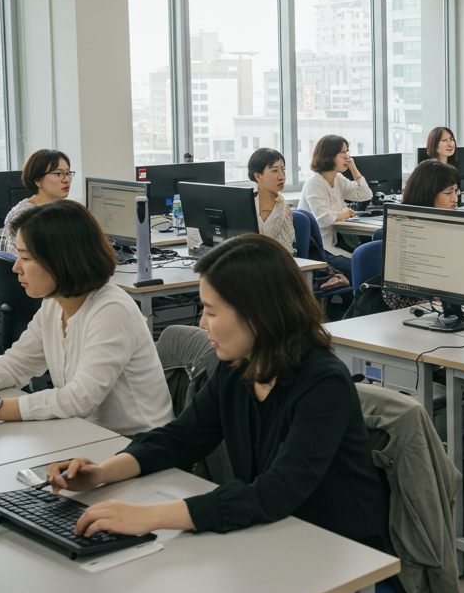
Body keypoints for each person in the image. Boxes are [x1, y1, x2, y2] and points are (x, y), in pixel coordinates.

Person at [43, 234, 389, 551]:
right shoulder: (237, 366)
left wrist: (149, 516)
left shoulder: (322, 383)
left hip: (338, 545)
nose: (202, 323)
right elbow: (180, 439)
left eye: (211, 311)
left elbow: (277, 492)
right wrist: (102, 473)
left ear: (259, 315)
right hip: (269, 531)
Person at [0, 201, 173, 435]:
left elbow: (80, 399)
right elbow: (16, 364)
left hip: (135, 443)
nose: (16, 268)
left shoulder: (111, 310)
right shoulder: (54, 304)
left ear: (61, 261)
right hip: (84, 433)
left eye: (26, 257)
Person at [385, 160, 462, 310]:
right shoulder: (405, 231)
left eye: (456, 191)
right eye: (448, 193)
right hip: (412, 313)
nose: (455, 198)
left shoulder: (453, 228)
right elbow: (393, 295)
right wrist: (429, 304)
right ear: (427, 194)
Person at [299, 134, 371, 285]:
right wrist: (342, 214)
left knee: (367, 265)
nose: (347, 157)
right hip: (319, 251)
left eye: (347, 152)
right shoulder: (315, 183)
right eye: (343, 153)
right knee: (364, 269)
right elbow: (322, 218)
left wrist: (354, 169)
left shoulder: (338, 179)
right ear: (329, 156)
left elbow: (364, 194)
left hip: (333, 247)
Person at [1, 148, 73, 255]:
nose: (67, 179)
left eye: (68, 173)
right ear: (38, 181)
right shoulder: (28, 216)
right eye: (58, 174)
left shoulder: (56, 210)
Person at [248, 147, 295, 254]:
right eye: (274, 171)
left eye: (283, 170)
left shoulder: (282, 208)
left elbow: (286, 250)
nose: (281, 176)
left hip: (278, 264)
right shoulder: (247, 203)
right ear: (258, 176)